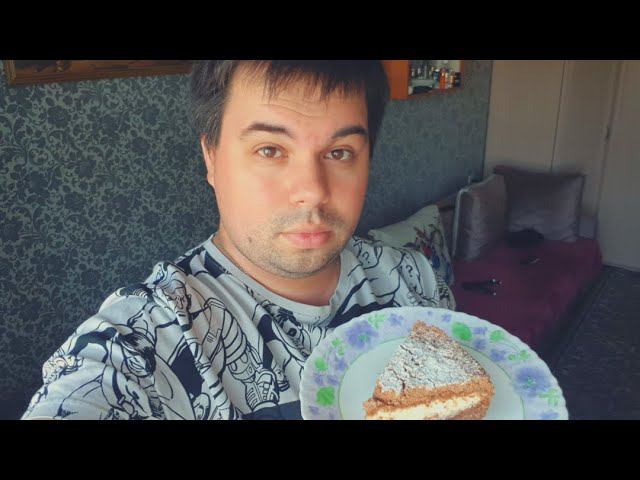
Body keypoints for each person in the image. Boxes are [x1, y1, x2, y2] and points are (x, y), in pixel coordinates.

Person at [22, 60, 453, 420]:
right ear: (211, 157)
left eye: (339, 153)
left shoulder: (416, 280)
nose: (313, 190)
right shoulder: (144, 341)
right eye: (270, 150)